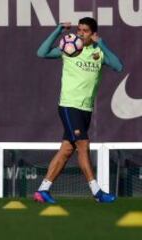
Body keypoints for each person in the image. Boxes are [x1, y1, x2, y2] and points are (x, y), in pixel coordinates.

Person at [34, 17, 123, 203]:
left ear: (93, 33)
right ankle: (97, 192)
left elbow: (118, 66)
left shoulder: (99, 52)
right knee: (83, 145)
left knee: (66, 150)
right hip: (69, 105)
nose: (81, 33)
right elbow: (41, 53)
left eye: (85, 31)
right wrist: (58, 30)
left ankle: (43, 190)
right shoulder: (70, 49)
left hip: (85, 109)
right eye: (79, 29)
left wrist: (103, 45)